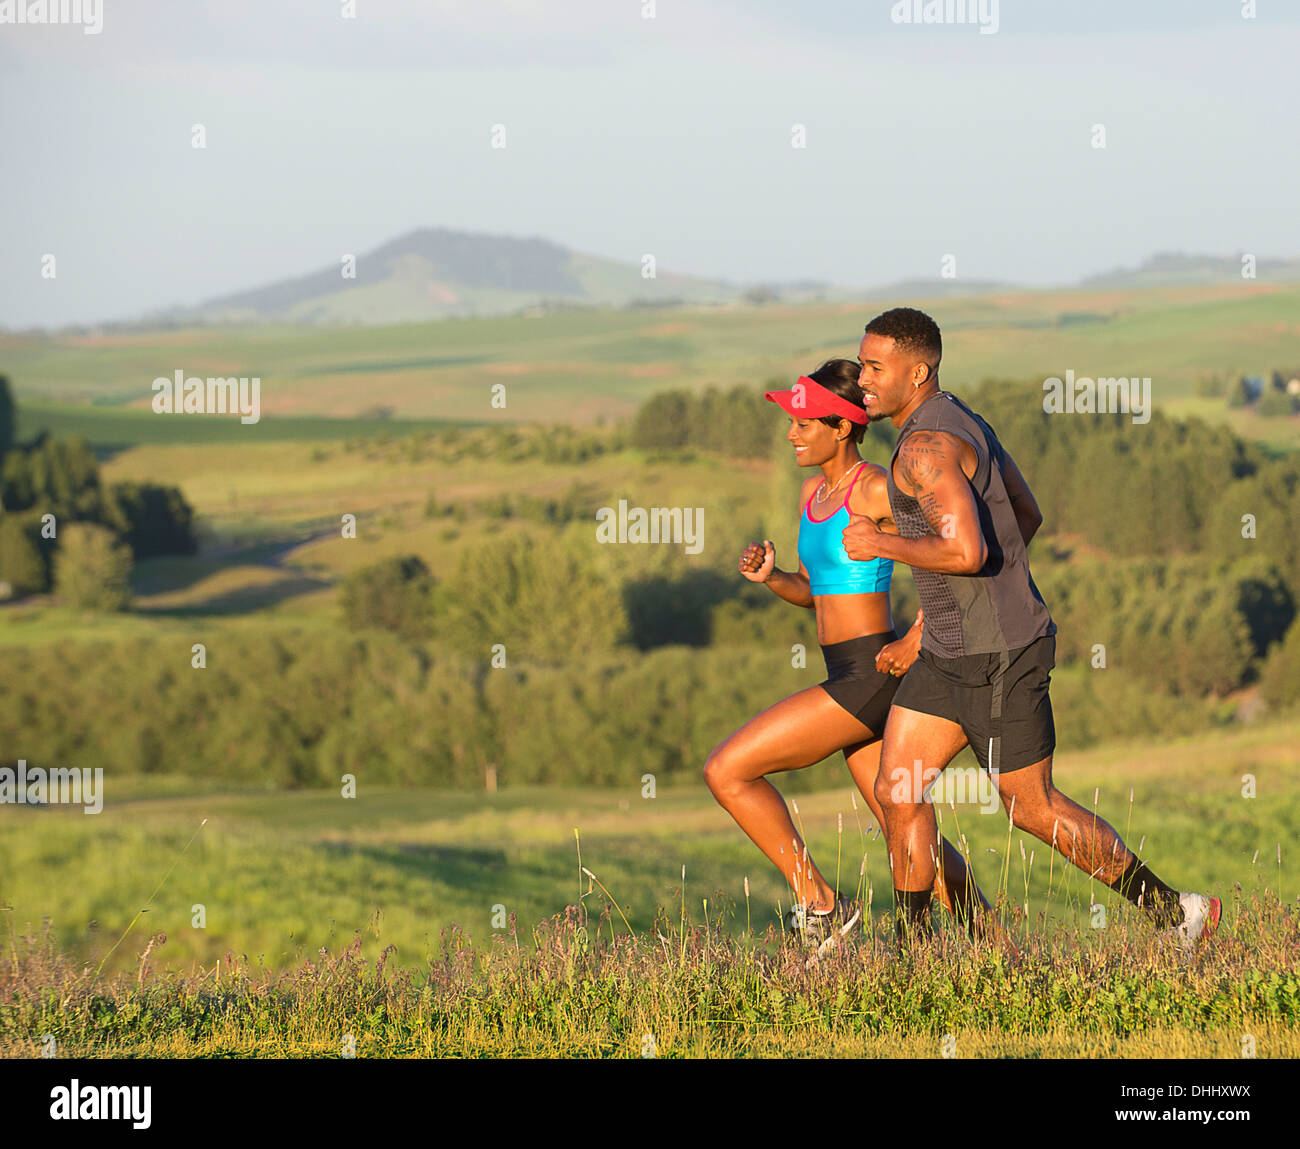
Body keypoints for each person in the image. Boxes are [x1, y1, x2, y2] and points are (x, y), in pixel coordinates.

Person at [840, 307, 1221, 945]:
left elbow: (968, 554)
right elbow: (1026, 511)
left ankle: (1179, 913)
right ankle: (912, 953)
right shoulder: (964, 419)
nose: (863, 378)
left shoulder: (924, 448)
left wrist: (883, 545)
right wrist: (950, 610)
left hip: (1001, 656)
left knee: (1031, 808)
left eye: (877, 368)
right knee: (897, 789)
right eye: (864, 364)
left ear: (919, 371)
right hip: (946, 652)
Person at [704, 358, 1000, 950]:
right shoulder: (814, 496)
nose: (791, 433)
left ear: (841, 427)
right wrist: (773, 577)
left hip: (873, 671)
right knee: (907, 832)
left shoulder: (874, 488)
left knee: (728, 770)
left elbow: (955, 554)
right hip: (842, 668)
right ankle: (998, 947)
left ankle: (821, 904)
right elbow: (818, 594)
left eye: (803, 423)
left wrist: (918, 633)